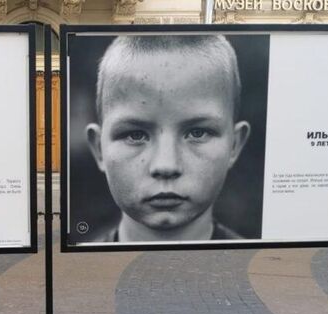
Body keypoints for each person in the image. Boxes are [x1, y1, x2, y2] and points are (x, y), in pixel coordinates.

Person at [85, 35, 251, 242]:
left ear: (234, 144)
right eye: (135, 135)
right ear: (99, 149)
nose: (166, 166)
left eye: (197, 133)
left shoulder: (265, 272)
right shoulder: (68, 273)